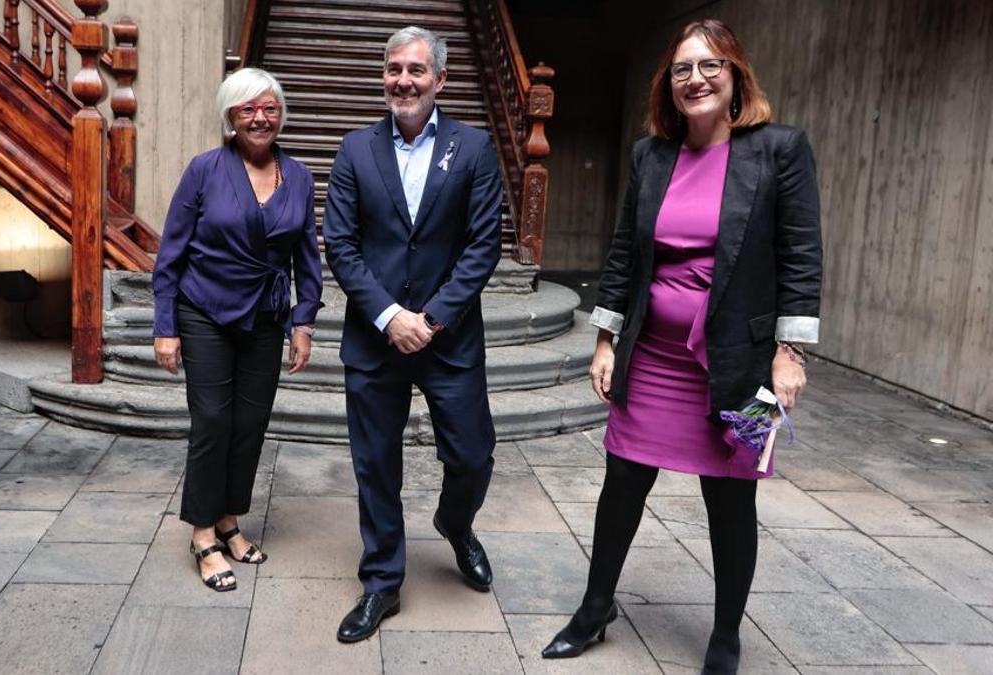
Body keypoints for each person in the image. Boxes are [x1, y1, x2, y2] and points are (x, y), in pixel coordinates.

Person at [541, 19, 822, 674]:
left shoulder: (780, 149)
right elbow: (622, 256)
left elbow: (800, 257)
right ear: (668, 86)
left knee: (733, 499)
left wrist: (791, 352)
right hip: (654, 358)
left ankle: (725, 637)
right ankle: (594, 608)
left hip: (745, 365)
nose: (695, 78)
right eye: (681, 69)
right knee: (621, 485)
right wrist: (606, 339)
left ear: (736, 76)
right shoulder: (651, 155)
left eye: (710, 65)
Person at [323, 26, 504, 643]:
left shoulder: (474, 149)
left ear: (440, 80)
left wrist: (428, 319)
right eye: (394, 69)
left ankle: (457, 524)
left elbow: (482, 248)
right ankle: (381, 582)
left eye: (416, 71)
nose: (403, 80)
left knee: (474, 455)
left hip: (448, 338)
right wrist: (388, 317)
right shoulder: (353, 150)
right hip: (374, 340)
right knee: (375, 465)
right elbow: (341, 248)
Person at [152, 67, 322, 593]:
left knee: (250, 423)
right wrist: (166, 326)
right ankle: (203, 533)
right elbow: (171, 252)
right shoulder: (204, 170)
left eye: (269, 108)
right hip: (204, 310)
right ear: (230, 116)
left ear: (280, 116)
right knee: (212, 420)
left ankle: (228, 518)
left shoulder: (299, 175)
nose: (259, 117)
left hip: (266, 316)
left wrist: (304, 318)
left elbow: (306, 257)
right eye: (248, 108)